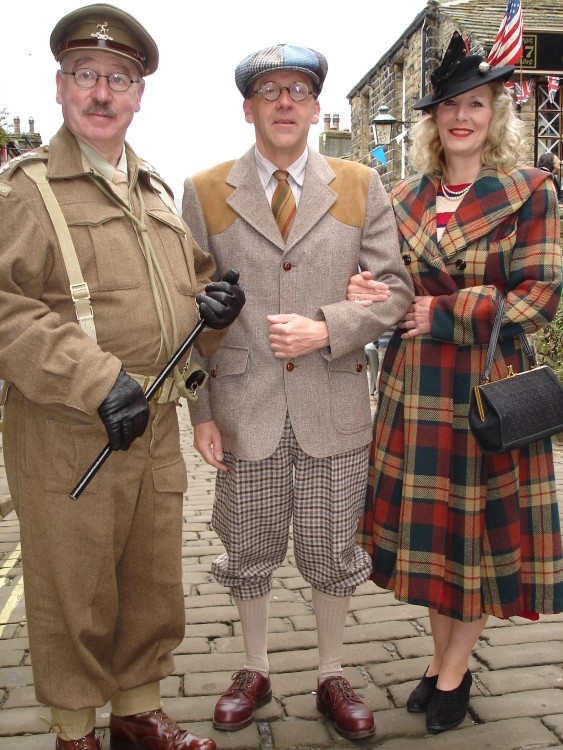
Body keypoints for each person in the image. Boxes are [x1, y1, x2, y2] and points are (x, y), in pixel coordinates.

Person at [0, 5, 245, 749]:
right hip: (70, 427)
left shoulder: (153, 193)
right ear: (60, 86)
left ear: (139, 95)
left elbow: (188, 293)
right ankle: (76, 730)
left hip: (155, 427)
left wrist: (217, 308)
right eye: (86, 76)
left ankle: (138, 712)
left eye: (119, 79)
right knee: (72, 589)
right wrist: (92, 378)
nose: (102, 92)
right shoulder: (26, 191)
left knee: (148, 583)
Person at [182, 44, 413, 741]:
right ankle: (253, 667)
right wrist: (200, 412)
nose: (284, 102)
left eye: (298, 90)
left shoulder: (357, 184)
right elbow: (191, 309)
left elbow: (394, 290)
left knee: (328, 549)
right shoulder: (204, 189)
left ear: (315, 108)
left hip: (331, 401)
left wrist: (329, 328)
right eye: (269, 90)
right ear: (248, 107)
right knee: (247, 547)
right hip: (244, 407)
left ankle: (330, 671)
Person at [348, 32, 563, 734]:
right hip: (413, 389)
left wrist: (443, 311)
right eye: (448, 107)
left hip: (485, 389)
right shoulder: (401, 195)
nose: (461, 117)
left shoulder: (530, 189)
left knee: (472, 538)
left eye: (474, 104)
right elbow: (389, 289)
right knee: (438, 542)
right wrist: (368, 292)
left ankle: (450, 672)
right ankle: (446, 665)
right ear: (432, 120)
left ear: (493, 112)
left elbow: (540, 295)